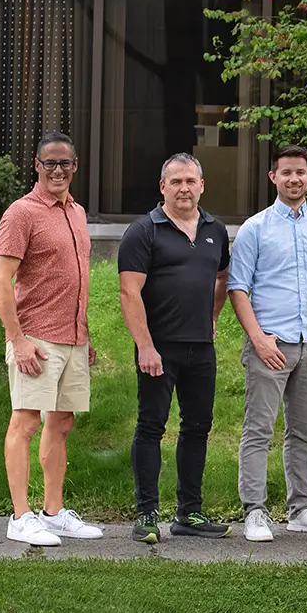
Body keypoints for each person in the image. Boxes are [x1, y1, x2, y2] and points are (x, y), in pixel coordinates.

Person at [228, 145, 307, 542]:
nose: (294, 179)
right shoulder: (254, 229)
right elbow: (237, 287)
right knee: (258, 429)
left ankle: (301, 509)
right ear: (273, 177)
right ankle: (255, 511)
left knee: (302, 430)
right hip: (271, 344)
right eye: (286, 173)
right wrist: (258, 338)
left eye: (301, 172)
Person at [0, 131, 103, 546]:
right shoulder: (21, 213)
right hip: (36, 337)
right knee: (26, 422)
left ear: (75, 166)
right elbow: (0, 280)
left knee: (62, 423)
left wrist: (84, 333)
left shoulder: (76, 211)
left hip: (72, 338)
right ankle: (20, 518)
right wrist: (17, 339)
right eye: (49, 163)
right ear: (37, 166)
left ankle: (52, 513)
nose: (58, 170)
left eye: (65, 163)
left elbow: (77, 280)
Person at [119, 153, 232, 544]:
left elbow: (221, 278)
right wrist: (145, 346)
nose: (184, 188)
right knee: (151, 427)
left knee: (198, 427)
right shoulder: (143, 231)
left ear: (201, 185)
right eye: (176, 181)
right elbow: (128, 292)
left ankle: (189, 514)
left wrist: (212, 318)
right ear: (162, 187)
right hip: (159, 349)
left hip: (201, 348)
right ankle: (147, 513)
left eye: (190, 181)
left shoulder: (215, 229)